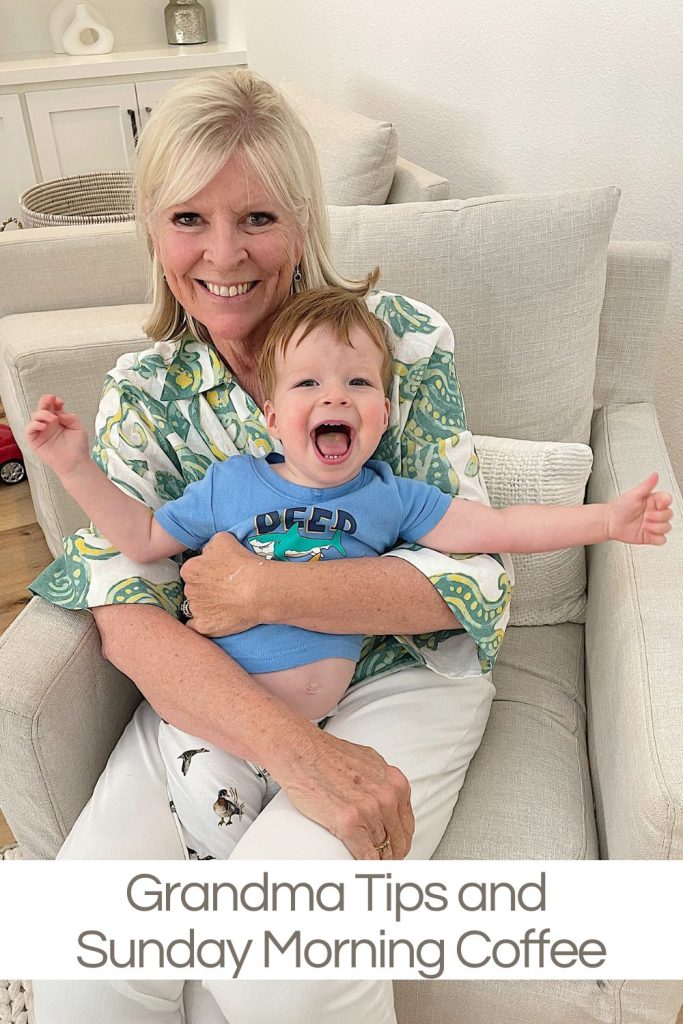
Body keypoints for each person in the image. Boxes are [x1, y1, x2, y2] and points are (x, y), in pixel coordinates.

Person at [30, 68, 515, 1024]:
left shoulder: (401, 343)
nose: (223, 254)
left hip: (398, 673)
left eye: (255, 217)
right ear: (150, 229)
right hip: (218, 689)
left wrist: (260, 592)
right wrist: (290, 747)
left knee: (278, 957)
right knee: (83, 953)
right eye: (187, 220)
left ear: (300, 219)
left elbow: (470, 579)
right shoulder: (143, 390)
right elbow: (124, 608)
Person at [27, 283, 672, 866]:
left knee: (272, 900)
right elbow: (138, 537)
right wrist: (73, 466)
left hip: (331, 729)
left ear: (384, 416)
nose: (334, 395)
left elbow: (498, 530)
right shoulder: (228, 487)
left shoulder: (392, 498)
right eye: (307, 384)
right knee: (214, 879)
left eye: (358, 383)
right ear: (272, 418)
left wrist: (607, 521)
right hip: (216, 728)